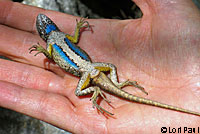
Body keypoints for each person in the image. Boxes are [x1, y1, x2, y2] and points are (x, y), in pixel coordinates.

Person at [0, 0, 200, 133]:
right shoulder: (59, 38)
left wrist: (43, 50)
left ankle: (101, 88)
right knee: (110, 66)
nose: (44, 22)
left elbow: (51, 57)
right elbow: (74, 40)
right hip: (91, 67)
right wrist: (77, 30)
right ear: (51, 29)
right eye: (45, 24)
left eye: (45, 23)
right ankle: (114, 85)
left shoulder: (51, 45)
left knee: (79, 92)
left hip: (86, 73)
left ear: (44, 34)